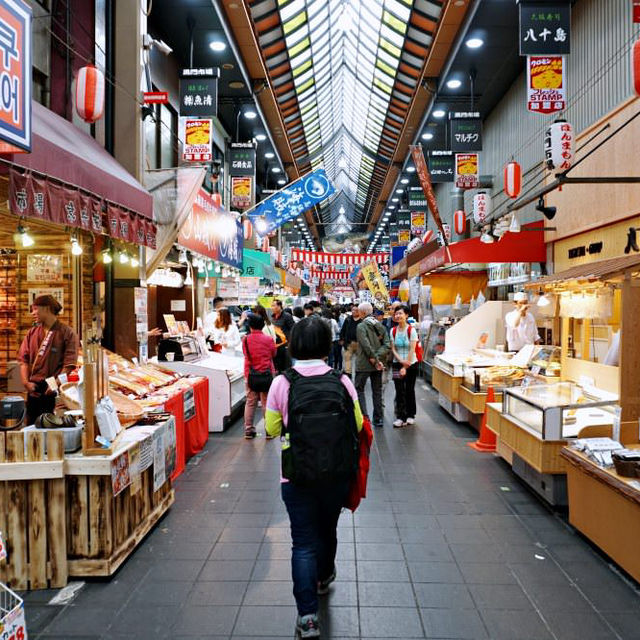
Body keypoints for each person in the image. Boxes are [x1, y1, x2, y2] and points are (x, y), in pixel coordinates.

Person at [265, 316, 363, 638]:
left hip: (297, 476)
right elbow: (359, 424)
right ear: (325, 344)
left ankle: (307, 617)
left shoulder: (282, 382)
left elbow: (271, 429)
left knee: (302, 542)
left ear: (293, 344)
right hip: (336, 473)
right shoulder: (342, 380)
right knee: (328, 528)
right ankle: (324, 576)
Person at [18, 295, 79, 425]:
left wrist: (55, 383)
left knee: (52, 428)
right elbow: (23, 361)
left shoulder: (67, 332)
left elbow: (69, 365)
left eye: (35, 309)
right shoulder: (32, 333)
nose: (33, 313)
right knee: (32, 427)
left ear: (46, 308)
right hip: (33, 388)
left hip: (53, 388)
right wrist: (25, 383)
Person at [355, 302, 390, 428]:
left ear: (363, 313)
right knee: (377, 390)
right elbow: (387, 344)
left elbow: (365, 345)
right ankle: (378, 418)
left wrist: (373, 358)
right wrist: (378, 357)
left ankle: (365, 417)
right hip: (379, 364)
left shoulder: (361, 326)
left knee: (359, 389)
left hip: (364, 363)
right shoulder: (380, 325)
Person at [242, 313, 276, 439]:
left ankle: (249, 430)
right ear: (262, 326)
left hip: (250, 374)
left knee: (250, 402)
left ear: (250, 326)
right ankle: (268, 430)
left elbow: (245, 354)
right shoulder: (268, 339)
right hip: (266, 374)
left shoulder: (245, 339)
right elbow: (273, 353)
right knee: (266, 402)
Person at [390, 305, 419, 428]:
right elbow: (393, 348)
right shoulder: (393, 330)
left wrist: (405, 366)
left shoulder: (411, 330)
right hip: (397, 364)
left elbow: (412, 349)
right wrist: (400, 362)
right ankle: (400, 416)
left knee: (409, 389)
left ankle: (410, 415)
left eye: (400, 313)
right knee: (399, 389)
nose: (398, 316)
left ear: (406, 315)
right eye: (396, 314)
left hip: (411, 364)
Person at [339, 304, 360, 377]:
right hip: (348, 343)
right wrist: (341, 339)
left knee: (359, 361)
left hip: (359, 344)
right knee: (347, 360)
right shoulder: (348, 319)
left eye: (356, 310)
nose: (354, 312)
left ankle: (358, 376)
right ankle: (348, 376)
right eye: (353, 310)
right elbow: (343, 330)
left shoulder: (362, 320)